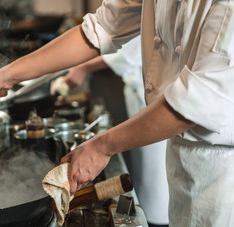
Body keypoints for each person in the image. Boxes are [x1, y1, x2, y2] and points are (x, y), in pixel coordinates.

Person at [0, 0, 234, 226]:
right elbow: (101, 28)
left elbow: (199, 100)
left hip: (231, 179)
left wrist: (101, 146)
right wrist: (7, 75)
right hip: (183, 159)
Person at [62, 36, 169, 227]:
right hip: (144, 102)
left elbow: (130, 53)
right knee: (140, 182)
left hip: (161, 114)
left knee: (156, 189)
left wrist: (101, 147)